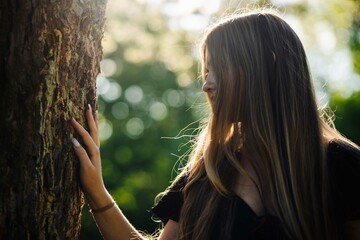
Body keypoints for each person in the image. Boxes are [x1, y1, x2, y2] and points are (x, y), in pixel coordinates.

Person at [71, 9, 360, 240]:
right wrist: (96, 189)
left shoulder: (343, 166)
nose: (206, 85)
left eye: (219, 69)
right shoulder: (207, 169)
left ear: (267, 67)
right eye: (206, 71)